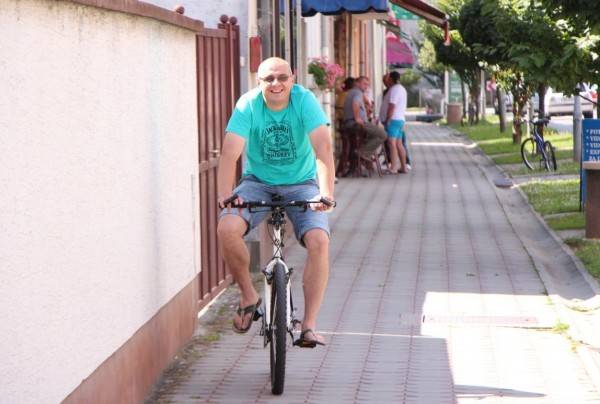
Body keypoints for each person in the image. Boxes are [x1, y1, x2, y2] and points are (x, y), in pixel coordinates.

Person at [216, 57, 335, 347]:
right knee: (227, 228)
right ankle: (248, 295)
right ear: (259, 82)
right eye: (269, 79)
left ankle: (308, 325)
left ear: (293, 78)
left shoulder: (304, 101)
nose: (276, 83)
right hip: (257, 182)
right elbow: (230, 152)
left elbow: (322, 147)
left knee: (319, 240)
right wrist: (225, 194)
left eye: (282, 77)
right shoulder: (248, 104)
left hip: (302, 184)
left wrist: (325, 193)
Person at [342, 76, 387, 161]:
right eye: (364, 84)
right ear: (357, 83)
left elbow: (360, 102)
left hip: (350, 123)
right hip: (354, 123)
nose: (366, 86)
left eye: (367, 85)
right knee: (383, 134)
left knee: (373, 133)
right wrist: (357, 118)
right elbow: (355, 103)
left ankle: (364, 154)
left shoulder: (354, 92)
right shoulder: (357, 92)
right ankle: (363, 152)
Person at [380, 71, 408, 173]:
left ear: (391, 79)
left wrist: (388, 119)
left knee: (392, 143)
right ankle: (403, 167)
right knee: (399, 144)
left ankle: (393, 168)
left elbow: (392, 105)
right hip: (400, 119)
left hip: (393, 120)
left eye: (388, 78)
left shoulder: (395, 90)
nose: (386, 80)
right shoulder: (401, 89)